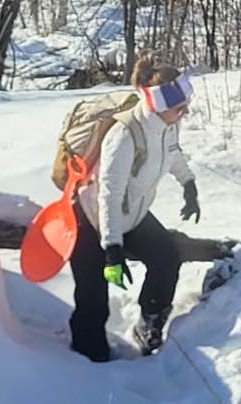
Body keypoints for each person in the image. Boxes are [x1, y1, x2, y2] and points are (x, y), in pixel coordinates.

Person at [69, 57, 202, 362]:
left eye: (186, 105)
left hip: (133, 214)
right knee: (93, 302)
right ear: (156, 103)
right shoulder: (124, 135)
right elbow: (109, 196)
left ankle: (150, 323)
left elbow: (173, 153)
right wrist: (112, 249)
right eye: (179, 107)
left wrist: (189, 185)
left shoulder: (168, 125)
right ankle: (84, 364)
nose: (184, 112)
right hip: (93, 220)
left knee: (167, 257)